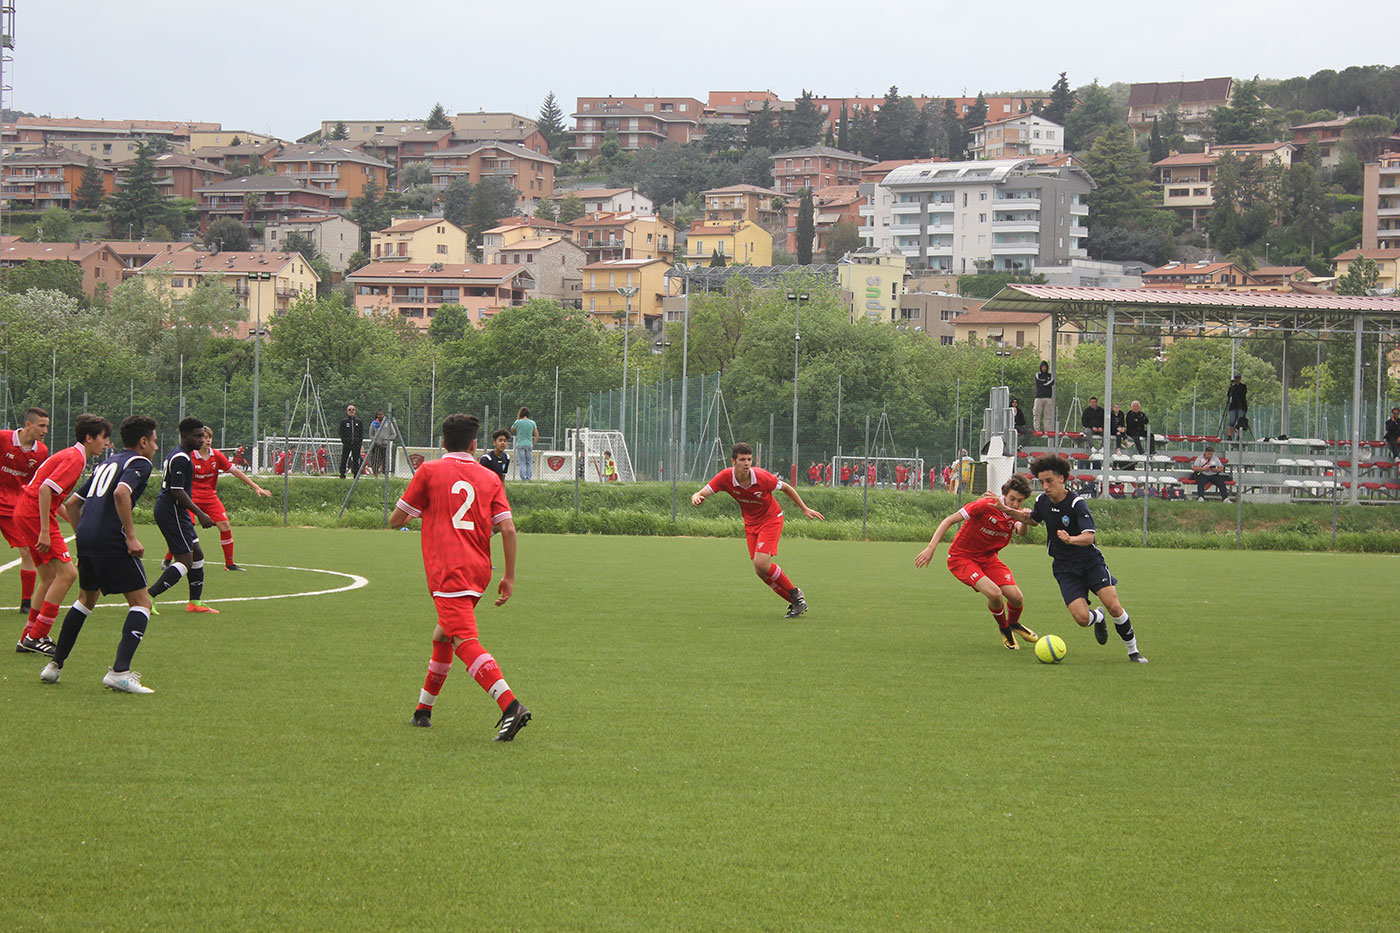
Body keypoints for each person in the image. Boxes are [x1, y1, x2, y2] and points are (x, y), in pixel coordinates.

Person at [389, 413, 530, 740]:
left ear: (442, 443)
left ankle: (511, 706)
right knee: (443, 635)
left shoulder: (430, 471)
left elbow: (396, 520)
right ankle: (423, 711)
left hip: (448, 570)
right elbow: (507, 527)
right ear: (473, 444)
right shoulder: (490, 477)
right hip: (479, 571)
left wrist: (430, 507)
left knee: (464, 641)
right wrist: (508, 577)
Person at [41, 415, 161, 693]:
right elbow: (121, 494)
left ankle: (54, 666)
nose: (155, 447)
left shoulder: (108, 462)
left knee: (85, 600)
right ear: (143, 442)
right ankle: (120, 672)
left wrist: (84, 537)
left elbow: (72, 503)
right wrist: (130, 536)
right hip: (111, 539)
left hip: (88, 538)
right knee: (141, 602)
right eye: (154, 441)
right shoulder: (139, 462)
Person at [996, 453, 1147, 663]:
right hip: (1064, 567)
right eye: (1042, 482)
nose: (1045, 486)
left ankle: (1133, 651)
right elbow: (1031, 519)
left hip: (1090, 562)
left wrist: (1071, 539)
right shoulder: (1042, 501)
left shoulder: (1077, 504)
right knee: (1082, 619)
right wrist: (1007, 510)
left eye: (1049, 481)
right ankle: (1098, 617)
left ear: (1062, 478)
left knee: (1113, 604)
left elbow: (1089, 537)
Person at [691, 442, 825, 618]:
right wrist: (696, 497)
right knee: (760, 571)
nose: (746, 463)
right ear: (733, 461)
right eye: (742, 460)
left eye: (749, 459)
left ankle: (795, 595)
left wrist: (804, 508)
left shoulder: (762, 477)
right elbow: (701, 492)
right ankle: (796, 601)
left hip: (771, 519)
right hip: (751, 524)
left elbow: (786, 488)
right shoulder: (725, 477)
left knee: (761, 563)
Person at [15, 413, 112, 656]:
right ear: (89, 438)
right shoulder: (75, 459)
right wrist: (46, 532)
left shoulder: (73, 455)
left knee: (49, 577)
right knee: (68, 574)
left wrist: (79, 530)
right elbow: (46, 490)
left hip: (27, 512)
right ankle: (37, 636)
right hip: (34, 515)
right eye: (103, 438)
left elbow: (58, 499)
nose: (107, 443)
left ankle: (28, 635)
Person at [915, 474, 1038, 650]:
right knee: (994, 594)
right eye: (1012, 499)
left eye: (1020, 501)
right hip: (962, 558)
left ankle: (1014, 624)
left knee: (1017, 598)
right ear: (1004, 494)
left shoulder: (1015, 513)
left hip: (988, 559)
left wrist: (1023, 519)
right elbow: (950, 520)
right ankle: (1005, 629)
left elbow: (1023, 532)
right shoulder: (985, 505)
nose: (1015, 504)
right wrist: (931, 547)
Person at [146, 418, 218, 614]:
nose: (202, 440)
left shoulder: (183, 455)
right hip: (171, 510)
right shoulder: (181, 458)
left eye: (203, 435)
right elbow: (177, 491)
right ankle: (148, 596)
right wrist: (201, 513)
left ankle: (194, 602)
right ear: (184, 436)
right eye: (197, 436)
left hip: (177, 511)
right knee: (185, 560)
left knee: (198, 554)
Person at [190, 425, 272, 571]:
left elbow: (235, 471)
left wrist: (256, 487)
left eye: (209, 437)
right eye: (204, 437)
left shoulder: (216, 455)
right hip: (191, 498)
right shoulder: (189, 456)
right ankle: (168, 560)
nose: (207, 440)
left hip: (210, 497)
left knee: (225, 526)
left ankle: (229, 564)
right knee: (186, 528)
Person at [0, 407, 51, 616]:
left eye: (47, 426)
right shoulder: (3, 438)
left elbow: (36, 483)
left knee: (27, 551)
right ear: (28, 425)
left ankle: (26, 603)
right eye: (42, 425)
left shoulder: (41, 452)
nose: (45, 430)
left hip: (14, 508)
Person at [511, 407, 539, 482]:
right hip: (529, 444)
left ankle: (523, 478)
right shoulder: (532, 423)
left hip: (520, 444)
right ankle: (529, 478)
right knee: (529, 462)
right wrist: (533, 443)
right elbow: (537, 435)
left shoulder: (518, 422)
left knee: (522, 462)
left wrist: (517, 418)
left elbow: (512, 429)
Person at [368, 409, 398, 476]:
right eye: (379, 414)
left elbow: (394, 434)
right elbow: (370, 434)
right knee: (375, 460)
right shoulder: (374, 423)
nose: (380, 416)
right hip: (376, 445)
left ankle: (385, 475)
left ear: (384, 415)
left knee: (385, 461)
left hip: (385, 445)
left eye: (381, 414)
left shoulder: (388, 423)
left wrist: (387, 439)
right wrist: (374, 440)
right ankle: (375, 474)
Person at [338, 404, 364, 479]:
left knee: (356, 459)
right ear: (347, 412)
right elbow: (341, 432)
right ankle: (342, 473)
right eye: (349, 410)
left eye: (353, 410)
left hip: (356, 444)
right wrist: (344, 441)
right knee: (344, 458)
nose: (351, 411)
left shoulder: (358, 422)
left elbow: (361, 433)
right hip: (347, 444)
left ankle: (356, 474)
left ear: (355, 411)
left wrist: (359, 442)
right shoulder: (344, 422)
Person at [1033, 361, 1054, 432]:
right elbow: (1038, 382)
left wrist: (1043, 383)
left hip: (1048, 397)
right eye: (1043, 367)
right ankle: (1037, 428)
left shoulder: (1050, 376)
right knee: (1036, 413)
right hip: (1039, 397)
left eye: (1045, 367)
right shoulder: (1037, 375)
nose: (1044, 368)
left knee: (1048, 414)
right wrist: (1044, 383)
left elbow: (1051, 382)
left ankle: (1047, 429)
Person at [1225, 374, 1248, 441]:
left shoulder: (1243, 386)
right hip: (1233, 406)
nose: (1236, 380)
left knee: (1240, 421)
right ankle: (1229, 436)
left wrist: (1236, 387)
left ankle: (1239, 436)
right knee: (1232, 420)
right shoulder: (1233, 387)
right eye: (1236, 379)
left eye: (1238, 379)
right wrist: (1231, 387)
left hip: (1241, 405)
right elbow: (1229, 395)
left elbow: (1242, 394)